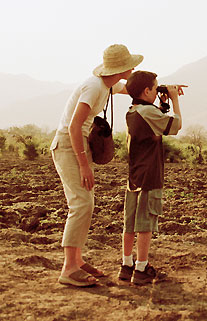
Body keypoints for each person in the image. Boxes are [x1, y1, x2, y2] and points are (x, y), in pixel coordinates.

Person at [52, 44, 143, 287]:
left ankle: (77, 260)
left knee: (85, 202)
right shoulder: (93, 87)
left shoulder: (108, 84)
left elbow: (129, 89)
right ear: (121, 67)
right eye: (130, 64)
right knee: (81, 203)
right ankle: (68, 268)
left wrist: (162, 88)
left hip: (79, 144)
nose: (134, 67)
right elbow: (73, 126)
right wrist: (83, 164)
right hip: (69, 144)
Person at [118, 70, 184, 285]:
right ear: (146, 91)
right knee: (145, 223)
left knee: (130, 223)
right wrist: (173, 100)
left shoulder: (134, 111)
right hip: (150, 176)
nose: (158, 92)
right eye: (155, 89)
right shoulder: (148, 112)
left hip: (135, 175)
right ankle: (141, 268)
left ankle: (127, 265)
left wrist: (161, 102)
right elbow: (175, 125)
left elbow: (156, 123)